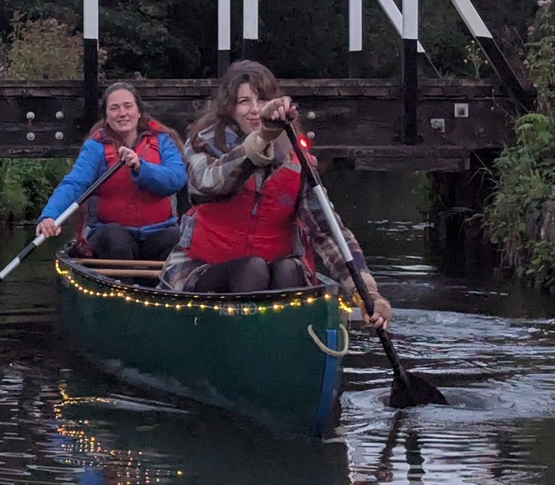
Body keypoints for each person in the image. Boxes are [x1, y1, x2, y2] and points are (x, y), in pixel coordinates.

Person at [159, 60, 392, 329]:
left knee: (289, 268)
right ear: (230, 107)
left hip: (274, 277)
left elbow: (327, 231)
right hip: (204, 271)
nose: (254, 110)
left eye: (262, 100)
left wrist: (366, 291)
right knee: (252, 267)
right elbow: (209, 182)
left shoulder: (296, 160)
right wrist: (261, 141)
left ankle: (282, 341)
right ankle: (242, 340)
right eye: (244, 101)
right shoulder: (203, 143)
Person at [36, 82, 187, 261]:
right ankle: (124, 286)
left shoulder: (164, 141)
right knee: (115, 238)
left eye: (128, 106)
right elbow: (74, 184)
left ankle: (163, 286)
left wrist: (140, 167)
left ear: (139, 112)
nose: (122, 113)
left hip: (159, 232)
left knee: (178, 238)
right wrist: (50, 215)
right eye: (114, 108)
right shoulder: (95, 148)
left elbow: (177, 179)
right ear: (106, 117)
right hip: (109, 234)